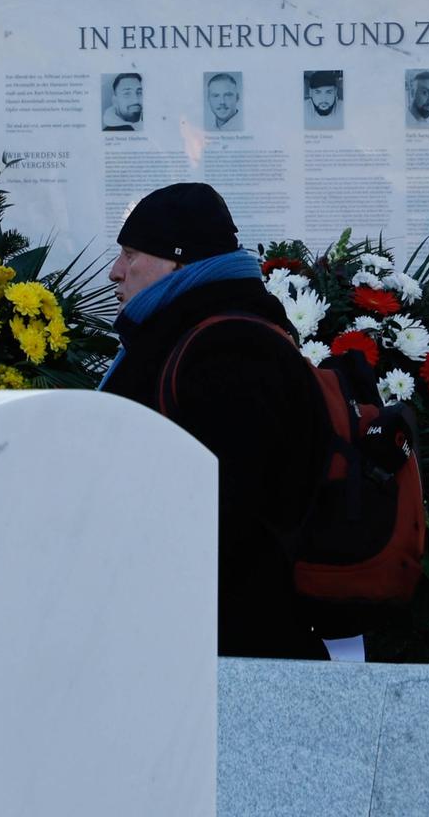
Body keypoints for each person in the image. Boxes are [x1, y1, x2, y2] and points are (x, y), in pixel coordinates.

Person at [98, 183, 328, 660]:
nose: (115, 272)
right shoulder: (194, 333)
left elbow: (231, 512)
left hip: (228, 643)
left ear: (178, 262)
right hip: (201, 630)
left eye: (131, 253)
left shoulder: (232, 351)